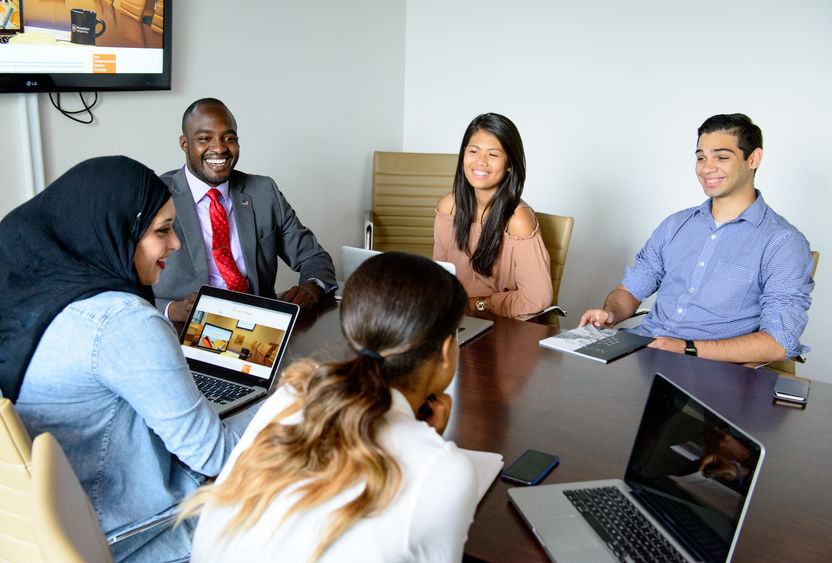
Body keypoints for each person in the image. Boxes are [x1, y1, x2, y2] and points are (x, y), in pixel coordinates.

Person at [0, 156, 256, 562]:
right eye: (162, 231)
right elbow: (215, 456)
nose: (174, 244)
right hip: (134, 533)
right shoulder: (122, 321)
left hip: (56, 531)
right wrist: (287, 405)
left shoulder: (29, 300)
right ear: (116, 232)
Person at [182, 252, 479, 562]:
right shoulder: (444, 471)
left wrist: (420, 436)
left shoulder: (289, 397)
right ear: (446, 350)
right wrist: (431, 445)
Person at [580, 114, 814, 364]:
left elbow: (779, 342)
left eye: (722, 157)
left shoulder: (783, 243)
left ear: (753, 159)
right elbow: (630, 289)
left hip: (708, 371)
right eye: (701, 157)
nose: (706, 168)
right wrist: (611, 314)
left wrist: (685, 348)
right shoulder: (675, 225)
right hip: (641, 350)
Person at [154, 98, 337, 323]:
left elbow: (313, 256)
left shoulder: (263, 192)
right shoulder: (154, 197)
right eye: (204, 138)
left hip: (257, 328)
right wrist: (173, 310)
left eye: (228, 138)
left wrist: (313, 286)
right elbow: (121, 286)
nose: (220, 148)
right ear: (185, 144)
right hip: (183, 330)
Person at [434, 112, 553, 318]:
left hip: (498, 323)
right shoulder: (449, 206)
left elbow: (536, 298)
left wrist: (476, 305)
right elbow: (440, 276)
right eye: (473, 151)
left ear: (509, 164)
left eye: (493, 154)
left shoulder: (517, 220)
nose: (480, 162)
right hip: (454, 318)